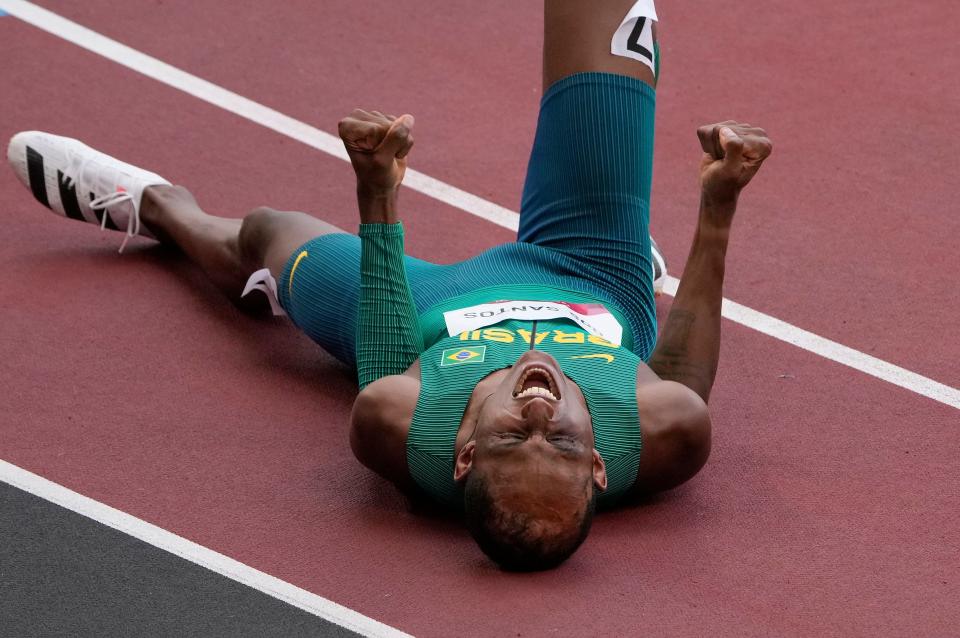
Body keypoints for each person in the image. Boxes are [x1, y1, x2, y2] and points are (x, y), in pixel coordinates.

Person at [6, 0, 771, 571]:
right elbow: (679, 380)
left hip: (424, 313)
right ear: (600, 465)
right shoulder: (664, 435)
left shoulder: (401, 423)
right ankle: (637, 247)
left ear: (463, 454)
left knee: (271, 230)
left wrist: (377, 191)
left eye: (513, 430)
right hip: (593, 272)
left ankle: (158, 207)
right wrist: (719, 204)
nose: (539, 405)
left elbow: (388, 356)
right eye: (563, 434)